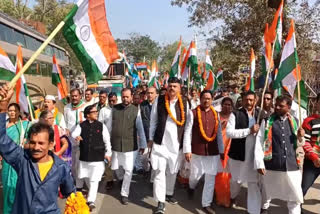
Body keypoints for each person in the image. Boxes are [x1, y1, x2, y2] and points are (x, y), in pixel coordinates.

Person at [0, 84, 75, 214]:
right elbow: (1, 139)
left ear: (51, 144)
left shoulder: (61, 167)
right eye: (33, 142)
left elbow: (70, 192)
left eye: (41, 143)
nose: (36, 147)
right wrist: (2, 107)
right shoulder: (22, 159)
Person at [255, 95, 305, 214]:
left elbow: (300, 144)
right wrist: (259, 163)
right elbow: (259, 142)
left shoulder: (295, 122)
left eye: (281, 106)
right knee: (267, 191)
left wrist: (300, 136)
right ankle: (264, 209)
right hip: (272, 164)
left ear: (288, 107)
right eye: (276, 104)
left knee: (294, 195)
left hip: (291, 165)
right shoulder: (267, 121)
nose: (276, 107)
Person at [149, 77, 191, 214]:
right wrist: (150, 138)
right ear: (167, 87)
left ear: (179, 89)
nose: (172, 88)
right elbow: (153, 120)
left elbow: (188, 127)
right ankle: (160, 202)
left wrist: (186, 148)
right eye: (170, 86)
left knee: (172, 171)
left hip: (176, 145)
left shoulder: (185, 103)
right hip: (160, 144)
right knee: (159, 172)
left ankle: (168, 193)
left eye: (175, 86)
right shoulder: (160, 100)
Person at [226, 90, 267, 214]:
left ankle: (253, 211)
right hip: (238, 156)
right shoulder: (235, 114)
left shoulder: (261, 114)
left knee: (253, 184)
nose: (249, 102)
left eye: (251, 100)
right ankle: (233, 196)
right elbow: (229, 133)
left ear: (255, 100)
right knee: (235, 182)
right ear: (242, 100)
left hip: (254, 157)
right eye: (246, 100)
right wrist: (249, 130)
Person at [183, 90, 224, 214]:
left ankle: (206, 204)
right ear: (200, 99)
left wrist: (221, 150)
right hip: (197, 150)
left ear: (212, 100)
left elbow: (219, 135)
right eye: (204, 98)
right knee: (195, 176)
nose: (206, 100)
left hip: (213, 151)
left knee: (210, 177)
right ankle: (191, 188)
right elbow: (188, 132)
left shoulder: (216, 114)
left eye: (209, 98)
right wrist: (187, 150)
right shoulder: (193, 113)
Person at [107, 88, 147, 205]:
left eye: (127, 97)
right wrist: (107, 144)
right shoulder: (115, 109)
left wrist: (143, 144)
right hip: (116, 145)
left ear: (131, 97)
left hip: (131, 145)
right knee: (116, 167)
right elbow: (109, 127)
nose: (125, 99)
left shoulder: (135, 110)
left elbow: (140, 128)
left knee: (129, 170)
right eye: (123, 97)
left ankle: (124, 194)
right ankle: (120, 179)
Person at [72, 105, 112, 211]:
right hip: (84, 157)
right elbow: (74, 134)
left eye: (96, 111)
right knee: (81, 176)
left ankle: (91, 200)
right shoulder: (81, 125)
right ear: (87, 115)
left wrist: (108, 153)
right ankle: (78, 193)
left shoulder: (101, 126)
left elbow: (107, 140)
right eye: (94, 112)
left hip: (97, 157)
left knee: (94, 180)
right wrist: (76, 137)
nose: (96, 113)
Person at [2, 103, 31, 214]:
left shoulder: (25, 125)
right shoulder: (3, 126)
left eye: (14, 110)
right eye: (10, 110)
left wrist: (26, 141)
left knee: (17, 185)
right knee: (7, 185)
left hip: (19, 159)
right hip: (6, 160)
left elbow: (31, 137)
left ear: (19, 112)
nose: (12, 112)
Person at [64, 88, 87, 190]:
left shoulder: (85, 107)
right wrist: (66, 130)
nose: (74, 98)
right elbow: (65, 122)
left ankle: (81, 184)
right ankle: (75, 180)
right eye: (72, 96)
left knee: (81, 163)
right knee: (73, 164)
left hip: (82, 139)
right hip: (70, 140)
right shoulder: (66, 108)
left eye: (76, 96)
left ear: (80, 96)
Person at [215, 97, 234, 207]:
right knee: (218, 173)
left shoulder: (233, 117)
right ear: (222, 105)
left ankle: (227, 198)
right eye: (225, 104)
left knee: (227, 175)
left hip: (230, 148)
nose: (227, 106)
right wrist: (219, 127)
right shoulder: (216, 116)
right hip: (218, 149)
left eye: (229, 105)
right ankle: (218, 196)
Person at [301, 94, 320, 199]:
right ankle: (296, 209)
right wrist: (314, 157)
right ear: (317, 104)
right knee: (303, 188)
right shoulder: (309, 120)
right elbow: (305, 142)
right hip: (312, 162)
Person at [136, 87, 158, 174]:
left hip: (157, 136)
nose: (150, 95)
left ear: (156, 94)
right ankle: (146, 171)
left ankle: (153, 174)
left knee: (155, 157)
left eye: (152, 93)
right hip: (145, 134)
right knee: (144, 157)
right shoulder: (142, 105)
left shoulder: (159, 105)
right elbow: (139, 120)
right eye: (148, 93)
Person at [98, 92, 118, 190]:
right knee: (107, 160)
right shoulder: (103, 110)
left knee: (118, 159)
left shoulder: (120, 109)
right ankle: (109, 179)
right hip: (107, 139)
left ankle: (120, 177)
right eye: (110, 101)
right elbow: (100, 124)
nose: (112, 102)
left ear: (117, 100)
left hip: (118, 139)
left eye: (113, 100)